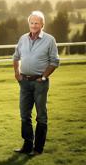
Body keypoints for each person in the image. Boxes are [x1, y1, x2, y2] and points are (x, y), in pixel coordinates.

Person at [13, 10, 60, 156]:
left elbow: (55, 61)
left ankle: (38, 149)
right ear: (29, 23)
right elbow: (16, 57)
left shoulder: (49, 40)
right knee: (24, 115)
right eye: (31, 22)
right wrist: (17, 73)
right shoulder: (22, 39)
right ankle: (27, 146)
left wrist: (44, 76)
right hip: (24, 82)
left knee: (41, 116)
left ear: (42, 24)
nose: (33, 25)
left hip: (40, 82)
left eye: (36, 23)